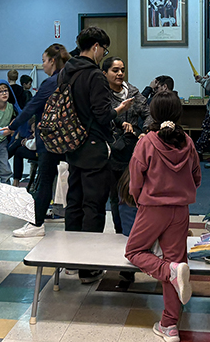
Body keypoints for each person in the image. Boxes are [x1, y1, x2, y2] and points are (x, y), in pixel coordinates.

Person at [125, 91, 201, 342]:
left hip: (152, 208)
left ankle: (167, 270)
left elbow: (135, 179)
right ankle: (169, 325)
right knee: (176, 259)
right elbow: (197, 177)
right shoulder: (188, 142)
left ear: (153, 113)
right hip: (181, 211)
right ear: (178, 113)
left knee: (135, 252)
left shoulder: (146, 142)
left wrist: (139, 199)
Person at [59, 27, 133, 284]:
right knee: (93, 204)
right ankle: (88, 268)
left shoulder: (65, 73)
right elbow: (102, 115)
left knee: (74, 201)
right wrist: (119, 110)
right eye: (104, 49)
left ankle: (71, 261)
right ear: (96, 47)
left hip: (71, 144)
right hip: (93, 146)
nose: (104, 53)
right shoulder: (94, 76)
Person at [9, 43, 71, 238]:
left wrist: (12, 127)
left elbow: (31, 107)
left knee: (44, 180)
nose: (42, 65)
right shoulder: (71, 79)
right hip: (70, 138)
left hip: (50, 139)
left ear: (52, 61)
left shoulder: (51, 82)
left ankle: (36, 224)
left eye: (44, 61)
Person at [102, 56, 149, 234]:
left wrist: (143, 130)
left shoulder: (133, 92)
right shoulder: (102, 94)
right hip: (112, 151)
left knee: (135, 191)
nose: (120, 73)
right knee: (115, 194)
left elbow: (148, 113)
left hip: (133, 148)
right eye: (115, 70)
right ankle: (119, 230)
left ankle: (137, 230)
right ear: (104, 73)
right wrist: (118, 121)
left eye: (122, 69)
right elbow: (101, 118)